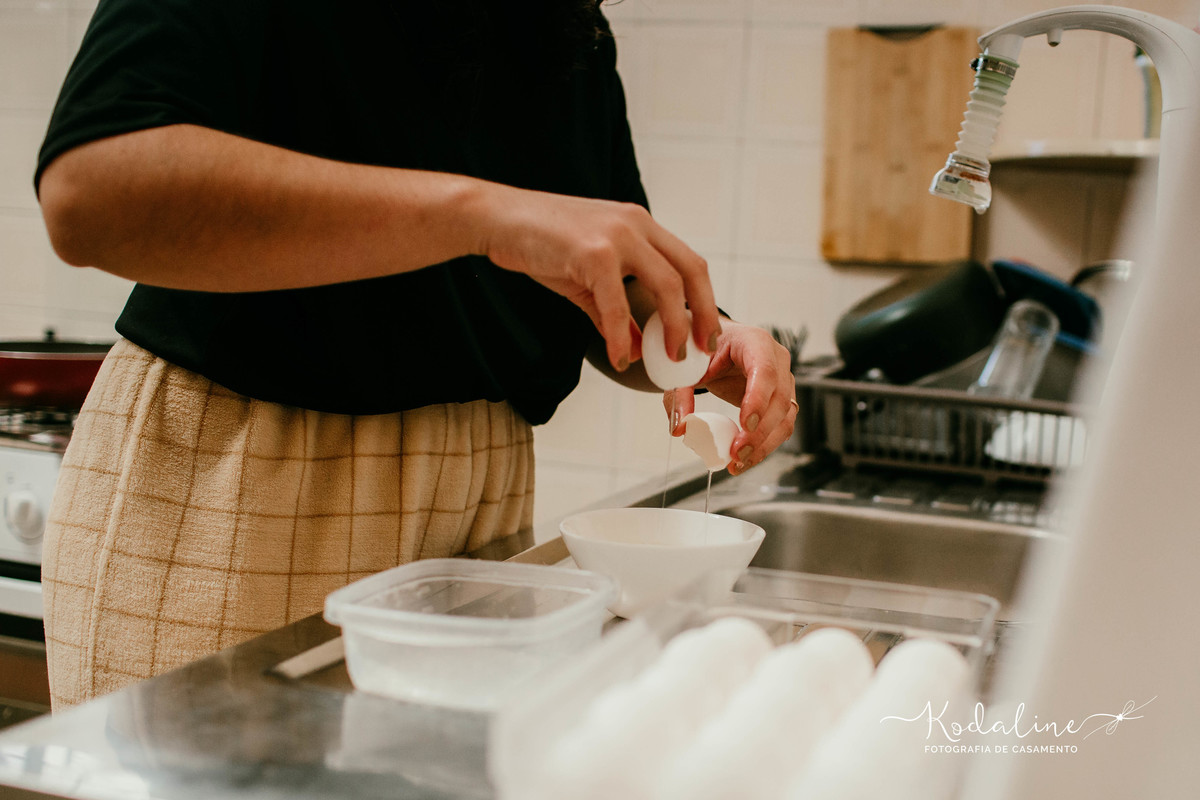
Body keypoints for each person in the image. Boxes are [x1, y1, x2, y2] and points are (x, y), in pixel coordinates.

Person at [34, 0, 797, 709]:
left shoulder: (562, 18)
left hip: (477, 513)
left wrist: (697, 336)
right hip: (242, 480)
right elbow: (91, 189)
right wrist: (483, 215)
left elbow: (591, 273)